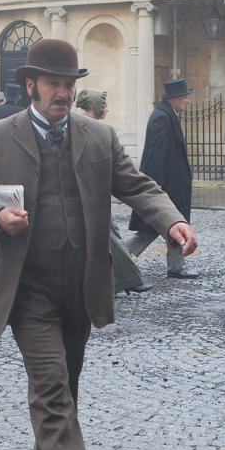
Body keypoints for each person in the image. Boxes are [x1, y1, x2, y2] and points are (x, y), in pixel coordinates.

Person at [0, 39, 197, 450]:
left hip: (82, 287)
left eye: (68, 84)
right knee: (51, 389)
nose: (62, 93)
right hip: (28, 287)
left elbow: (138, 186)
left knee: (65, 389)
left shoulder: (98, 136)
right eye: (53, 84)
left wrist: (172, 222)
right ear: (30, 85)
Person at [75, 88, 153, 295]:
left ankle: (121, 281)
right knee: (109, 239)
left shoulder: (96, 128)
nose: (108, 109)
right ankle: (128, 280)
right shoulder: (87, 129)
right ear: (95, 106)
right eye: (105, 105)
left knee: (111, 237)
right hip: (88, 197)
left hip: (97, 194)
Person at [128, 78, 197, 279]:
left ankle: (176, 267)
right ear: (175, 99)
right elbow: (156, 157)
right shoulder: (161, 117)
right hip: (166, 188)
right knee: (149, 231)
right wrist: (157, 191)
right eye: (185, 97)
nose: (188, 101)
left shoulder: (167, 115)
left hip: (172, 187)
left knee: (174, 226)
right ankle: (114, 261)